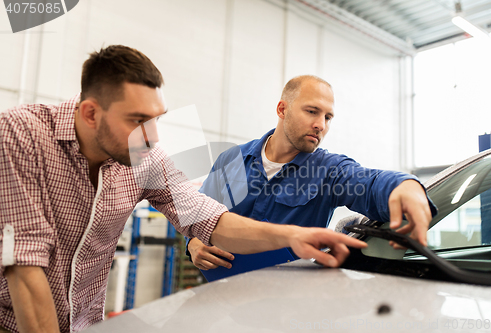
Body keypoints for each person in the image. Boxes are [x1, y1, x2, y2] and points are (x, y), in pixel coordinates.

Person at [0, 47, 367, 333]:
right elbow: (26, 264)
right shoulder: (21, 134)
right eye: (139, 121)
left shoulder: (146, 156)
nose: (153, 136)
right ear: (91, 113)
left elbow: (208, 217)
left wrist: (292, 236)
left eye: (157, 118)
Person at [186, 75, 436, 271]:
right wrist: (194, 243)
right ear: (282, 110)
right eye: (312, 111)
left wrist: (406, 185)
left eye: (328, 117)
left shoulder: (328, 171)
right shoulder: (231, 160)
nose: (321, 125)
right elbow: (198, 216)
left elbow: (368, 183)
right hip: (222, 297)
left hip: (288, 307)